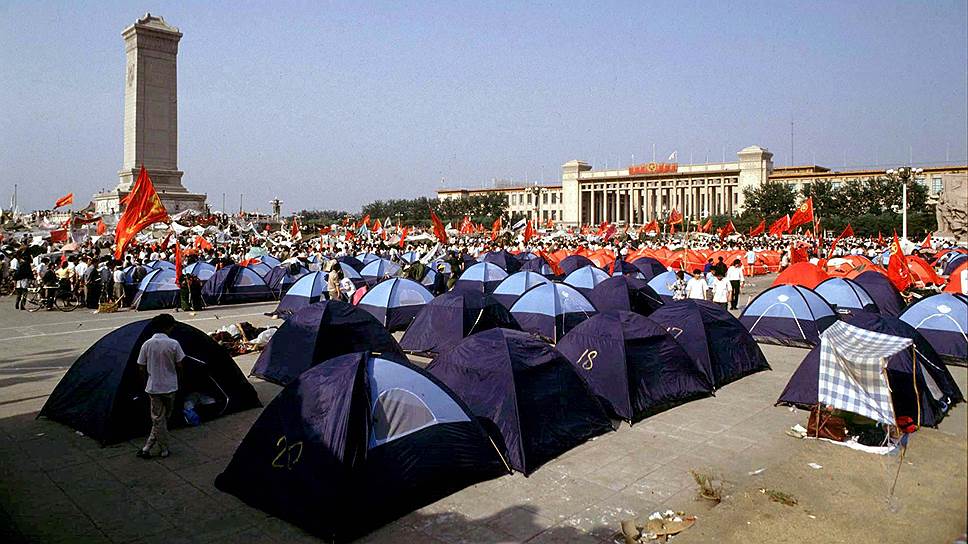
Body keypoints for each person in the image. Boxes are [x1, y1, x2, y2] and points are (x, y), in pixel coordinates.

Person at [136, 314, 185, 459]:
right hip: (170, 386)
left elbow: (141, 367)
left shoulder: (146, 344)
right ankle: (161, 448)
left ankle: (148, 447)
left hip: (153, 386)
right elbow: (180, 365)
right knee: (163, 418)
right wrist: (179, 379)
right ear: (167, 327)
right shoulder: (174, 344)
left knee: (158, 419)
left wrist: (146, 380)